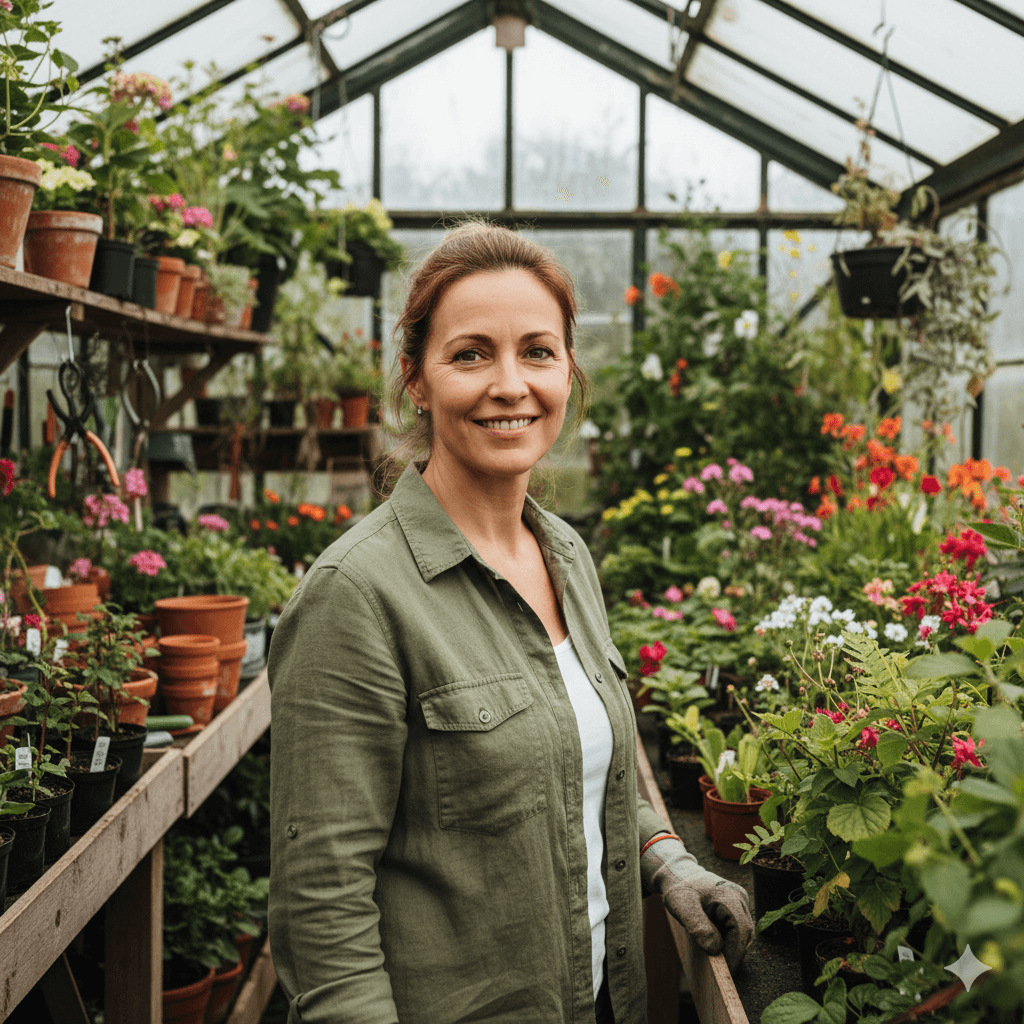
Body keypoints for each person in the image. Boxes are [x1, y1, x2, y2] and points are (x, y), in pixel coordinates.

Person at [267, 220, 754, 1024]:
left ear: (568, 371)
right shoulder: (356, 595)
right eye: (470, 354)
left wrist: (668, 861)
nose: (509, 383)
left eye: (537, 351)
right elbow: (323, 905)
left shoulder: (565, 555)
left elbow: (572, 770)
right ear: (415, 379)